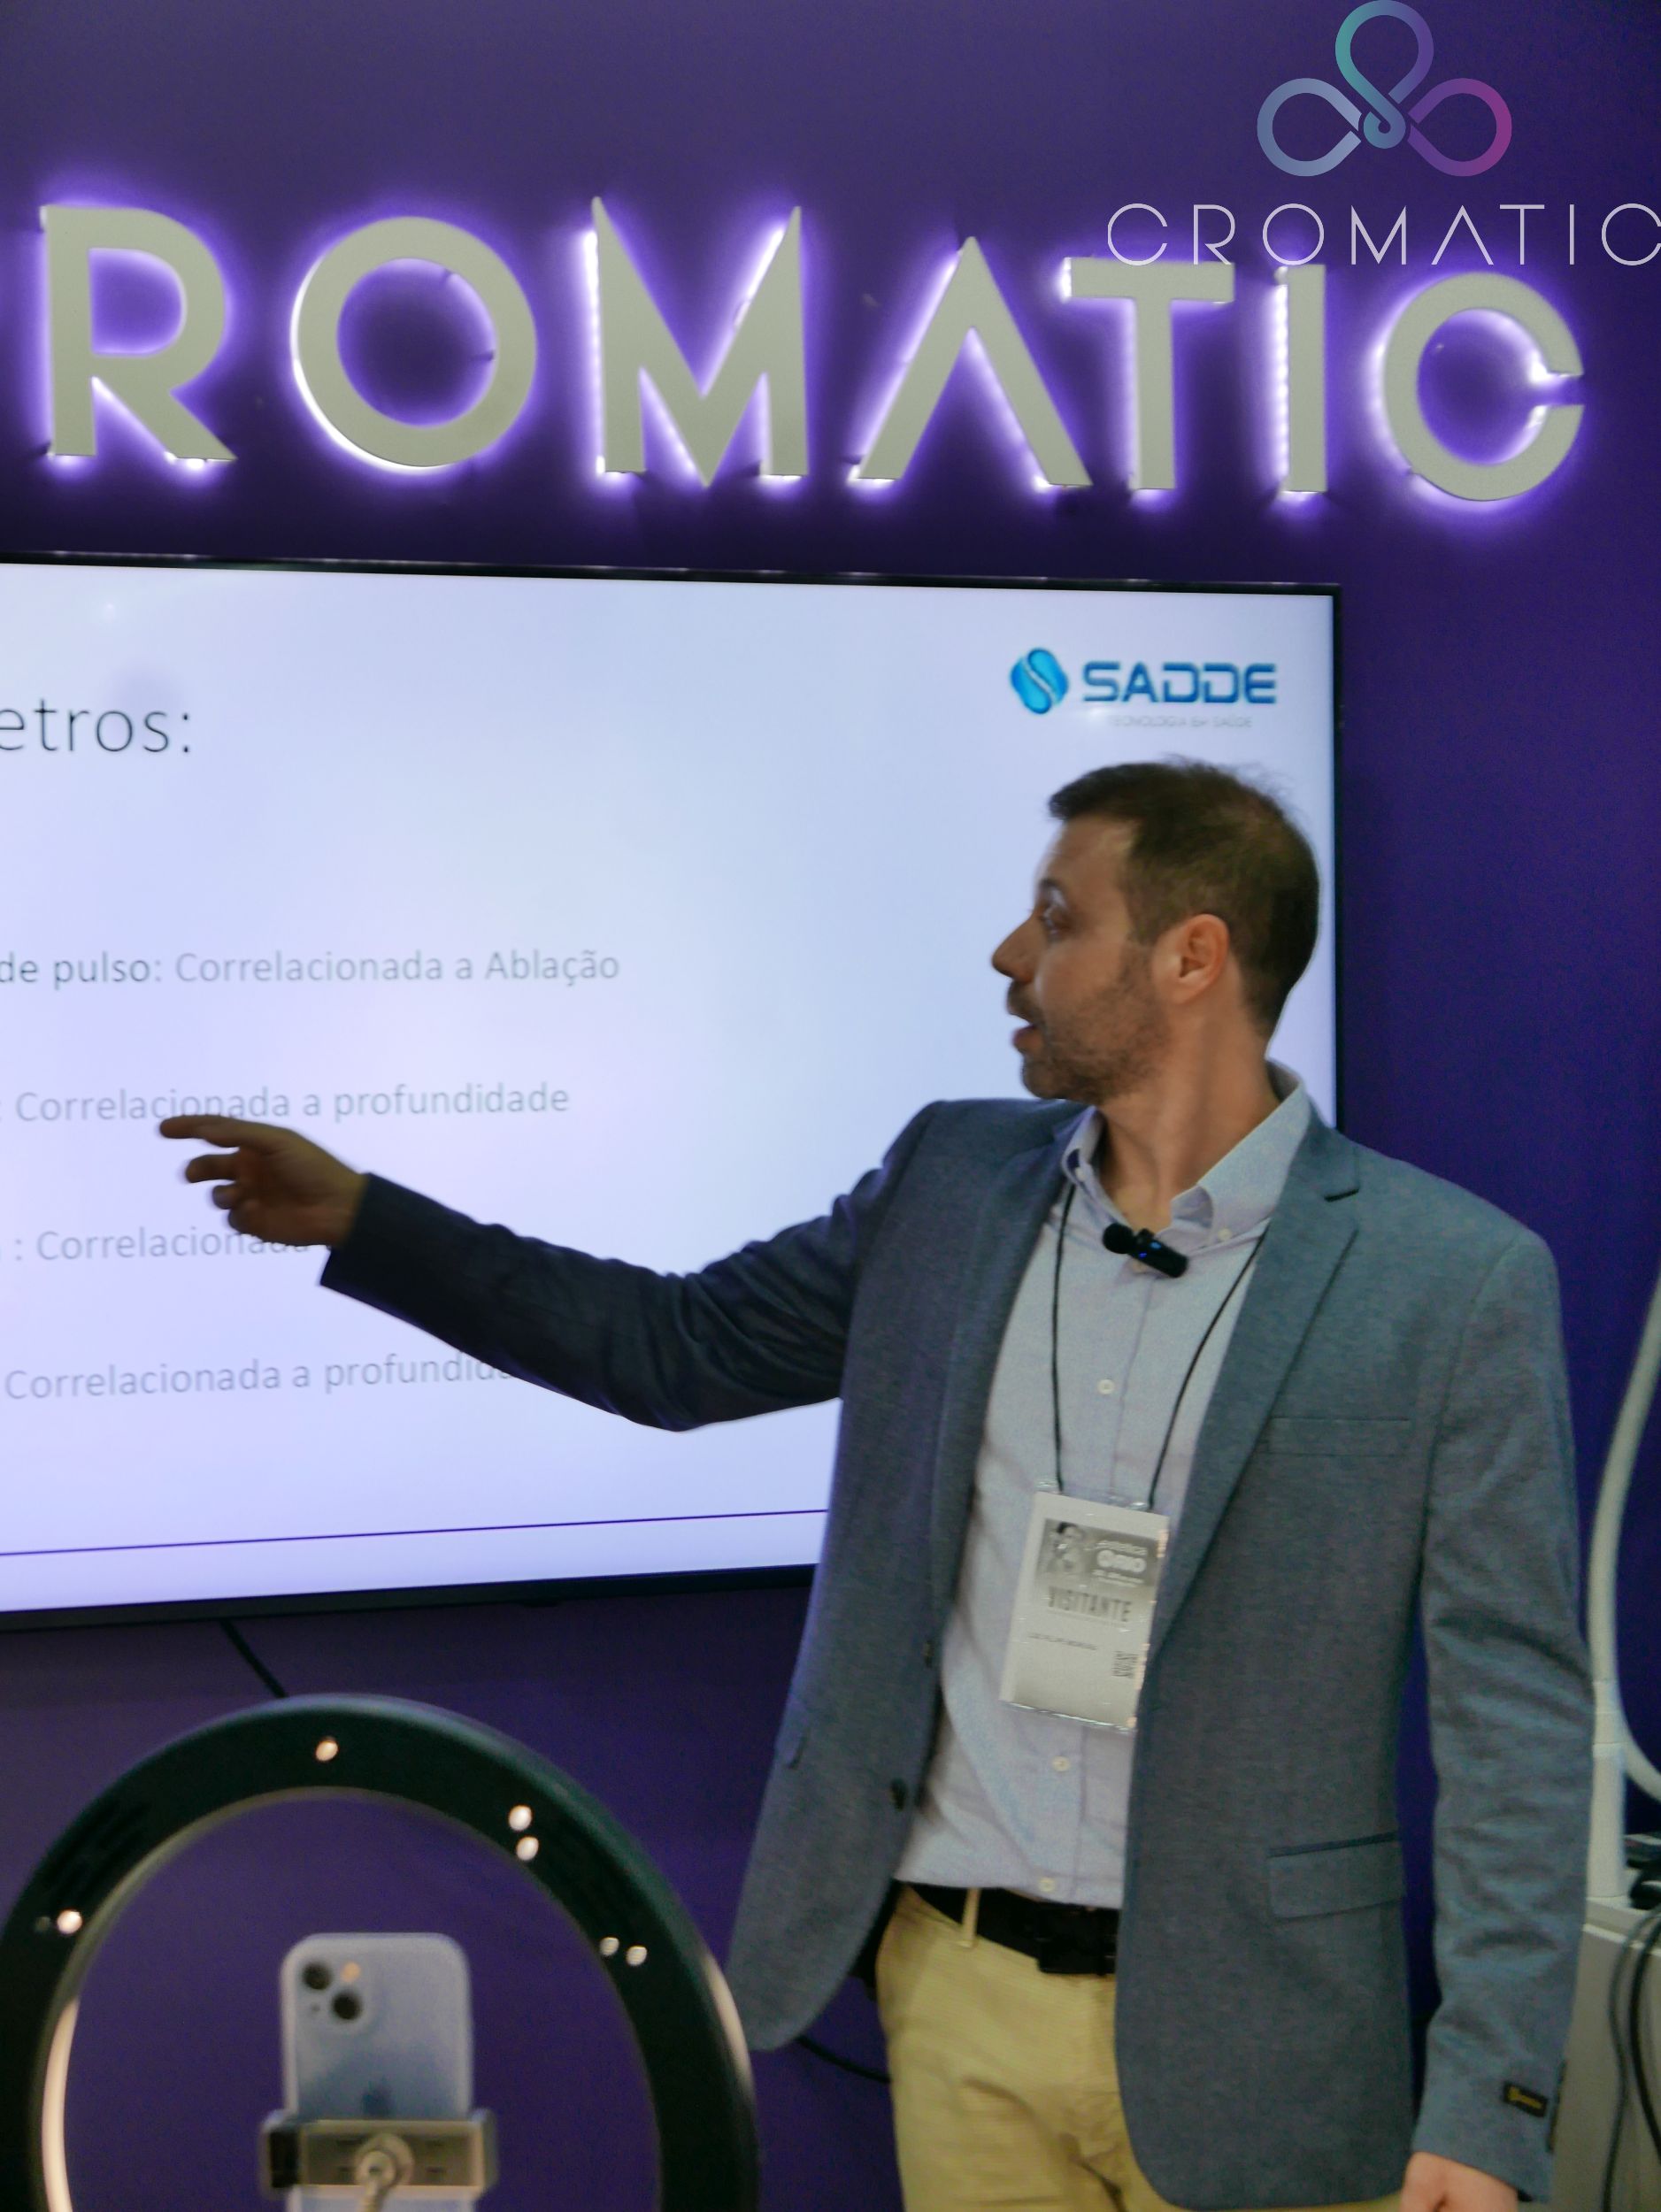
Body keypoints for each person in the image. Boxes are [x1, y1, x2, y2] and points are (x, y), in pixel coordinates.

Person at [160, 761, 1589, 2212]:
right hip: (960, 1998)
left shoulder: (1447, 1277)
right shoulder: (948, 1184)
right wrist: (368, 1222)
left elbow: (1512, 1720)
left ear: (1192, 956)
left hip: (1266, 2032)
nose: (1009, 954)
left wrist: (1492, 2098)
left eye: (1056, 917)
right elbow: (675, 1346)